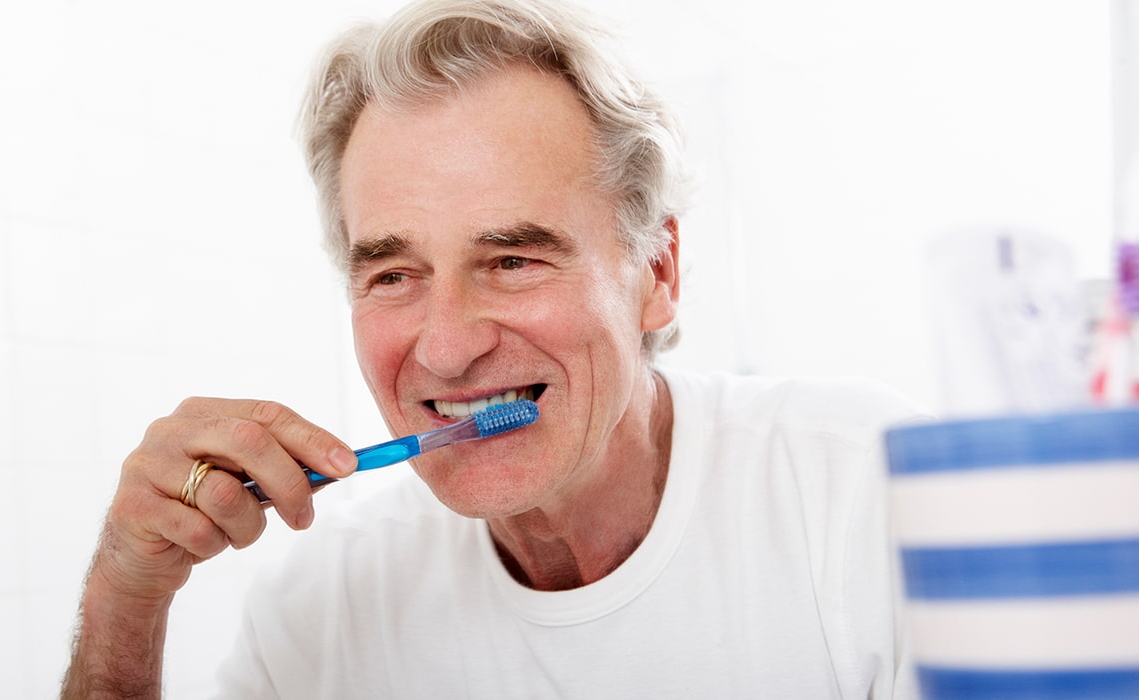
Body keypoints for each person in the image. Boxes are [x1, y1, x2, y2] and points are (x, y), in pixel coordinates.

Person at [61, 0, 926, 697]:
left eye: (512, 261)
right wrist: (123, 603)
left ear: (656, 272)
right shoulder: (326, 603)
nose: (446, 348)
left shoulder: (869, 496)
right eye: (394, 274)